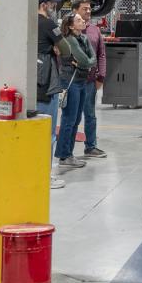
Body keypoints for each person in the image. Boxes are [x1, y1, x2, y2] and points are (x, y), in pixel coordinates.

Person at [55, 12, 97, 172]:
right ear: (71, 26)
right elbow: (85, 60)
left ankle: (69, 154)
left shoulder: (84, 38)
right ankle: (64, 155)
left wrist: (86, 63)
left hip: (81, 81)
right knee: (69, 119)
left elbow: (90, 60)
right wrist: (86, 63)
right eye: (78, 20)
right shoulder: (70, 40)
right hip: (70, 81)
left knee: (77, 118)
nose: (83, 21)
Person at [35, 0, 67, 189]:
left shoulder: (25, 22)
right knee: (48, 133)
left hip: (31, 84)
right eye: (52, 4)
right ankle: (44, 177)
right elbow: (66, 49)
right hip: (46, 84)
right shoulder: (48, 24)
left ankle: (32, 173)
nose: (54, 7)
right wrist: (56, 48)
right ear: (44, 5)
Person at [71, 0, 107, 159]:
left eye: (89, 8)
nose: (88, 11)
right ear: (75, 11)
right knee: (72, 117)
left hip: (90, 81)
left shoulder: (94, 30)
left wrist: (101, 76)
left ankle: (91, 146)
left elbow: (101, 55)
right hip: (73, 81)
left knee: (90, 115)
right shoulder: (67, 31)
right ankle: (67, 151)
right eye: (84, 8)